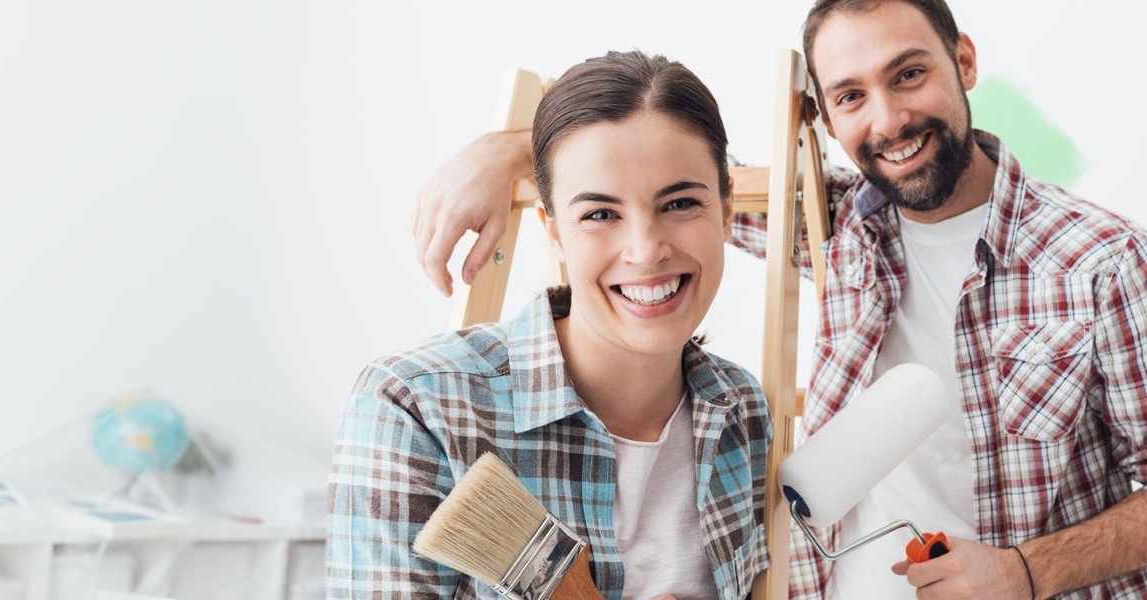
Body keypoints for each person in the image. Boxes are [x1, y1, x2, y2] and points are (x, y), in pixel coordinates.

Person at [407, 2, 1147, 599]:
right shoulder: (831, 224)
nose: (887, 121)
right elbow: (667, 171)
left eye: (909, 74)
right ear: (825, 118)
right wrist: (509, 151)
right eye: (852, 96)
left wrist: (1026, 571)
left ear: (964, 62)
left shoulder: (1100, 261)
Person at [329, 50, 769, 600]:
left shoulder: (743, 411)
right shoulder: (416, 406)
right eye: (600, 214)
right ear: (553, 232)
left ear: (728, 210)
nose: (646, 250)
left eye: (680, 203)